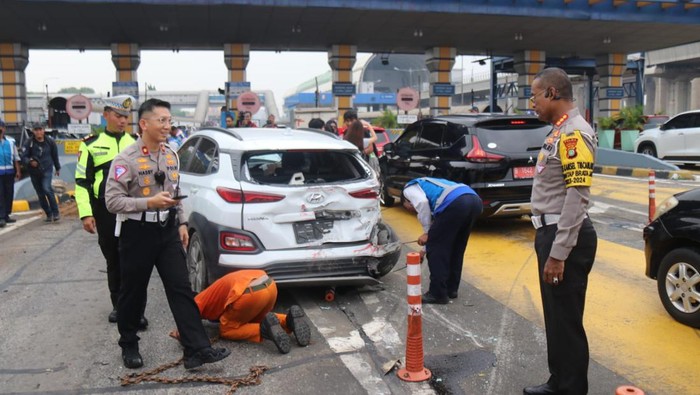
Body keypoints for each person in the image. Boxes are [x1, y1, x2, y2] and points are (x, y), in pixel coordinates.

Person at [105, 98, 230, 369]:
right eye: (161, 120)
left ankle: (196, 349)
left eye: (169, 121)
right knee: (133, 292)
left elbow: (176, 194)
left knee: (181, 288)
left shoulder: (171, 154)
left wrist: (182, 223)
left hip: (168, 230)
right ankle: (128, 343)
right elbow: (112, 202)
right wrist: (147, 203)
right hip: (137, 232)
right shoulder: (125, 159)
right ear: (144, 124)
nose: (167, 126)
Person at [524, 67, 597, 395]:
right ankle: (560, 382)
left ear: (552, 93)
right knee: (557, 317)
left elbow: (577, 195)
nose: (532, 103)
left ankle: (570, 389)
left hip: (565, 235)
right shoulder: (559, 131)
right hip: (551, 232)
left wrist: (558, 252)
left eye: (535, 95)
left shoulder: (573, 133)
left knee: (566, 321)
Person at [74, 95, 146, 326]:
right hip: (105, 211)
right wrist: (86, 214)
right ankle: (119, 306)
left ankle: (137, 310)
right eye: (118, 116)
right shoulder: (90, 144)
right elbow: (82, 182)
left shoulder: (136, 142)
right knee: (114, 259)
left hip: (133, 209)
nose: (123, 121)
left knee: (135, 260)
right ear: (106, 115)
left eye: (126, 116)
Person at [170, 270, 311, 354]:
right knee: (256, 318)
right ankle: (289, 320)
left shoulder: (198, 301)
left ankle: (263, 330)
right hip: (269, 285)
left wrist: (181, 332)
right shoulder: (211, 292)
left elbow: (188, 319)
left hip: (249, 293)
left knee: (226, 329)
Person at [402, 177, 482, 304]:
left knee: (437, 251)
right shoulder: (431, 188)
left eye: (408, 207)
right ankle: (451, 289)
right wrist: (423, 251)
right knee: (456, 247)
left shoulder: (409, 189)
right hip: (474, 200)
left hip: (456, 203)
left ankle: (437, 293)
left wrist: (428, 234)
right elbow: (438, 229)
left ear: (407, 200)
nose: (411, 210)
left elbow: (421, 203)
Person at [21, 123, 61, 222]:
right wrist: (30, 161)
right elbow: (23, 156)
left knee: (47, 189)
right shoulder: (28, 142)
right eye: (36, 130)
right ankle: (48, 214)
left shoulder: (50, 142)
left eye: (40, 129)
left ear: (43, 130)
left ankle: (55, 213)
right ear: (33, 131)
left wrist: (57, 167)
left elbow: (55, 155)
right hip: (34, 172)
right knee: (40, 193)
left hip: (47, 169)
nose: (38, 132)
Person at [0, 118, 21, 228]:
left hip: (9, 172)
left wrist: (18, 170)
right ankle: (1, 217)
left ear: (4, 129)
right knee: (1, 195)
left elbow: (16, 158)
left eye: (1, 127)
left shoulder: (10, 141)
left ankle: (7, 214)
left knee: (9, 194)